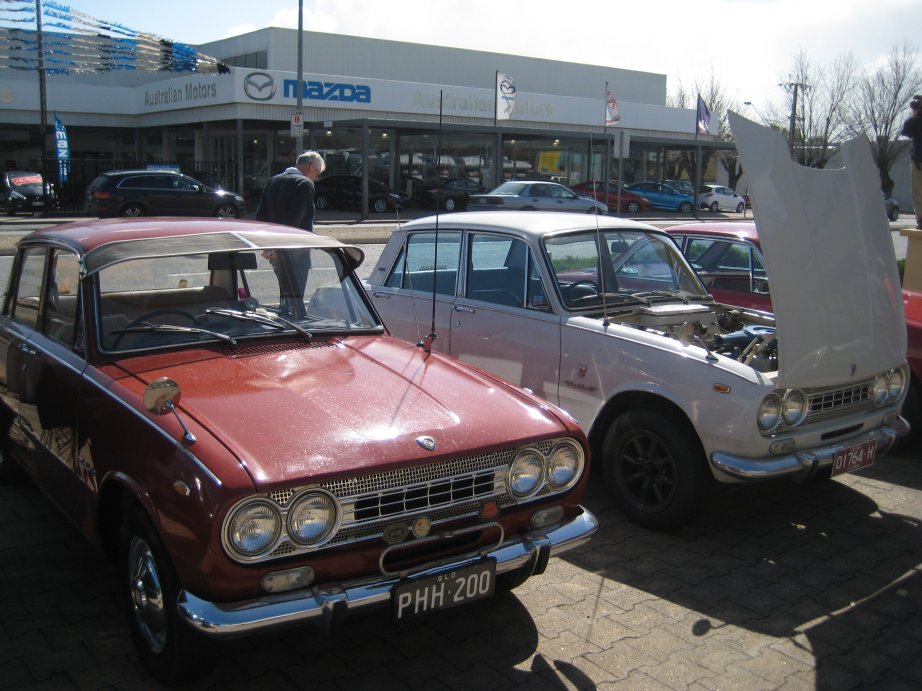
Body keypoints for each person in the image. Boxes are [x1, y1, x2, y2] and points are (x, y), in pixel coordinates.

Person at [255, 150, 325, 231]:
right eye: (318, 173)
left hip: (270, 237)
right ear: (311, 166)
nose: (316, 178)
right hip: (294, 240)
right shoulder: (305, 184)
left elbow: (260, 216)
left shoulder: (272, 181)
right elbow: (295, 219)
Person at [901, 95, 922, 230]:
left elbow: (907, 130)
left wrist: (916, 114)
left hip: (918, 159)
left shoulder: (915, 121)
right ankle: (921, 218)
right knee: (918, 191)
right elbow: (907, 130)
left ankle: (920, 218)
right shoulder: (916, 122)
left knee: (918, 191)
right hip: (918, 159)